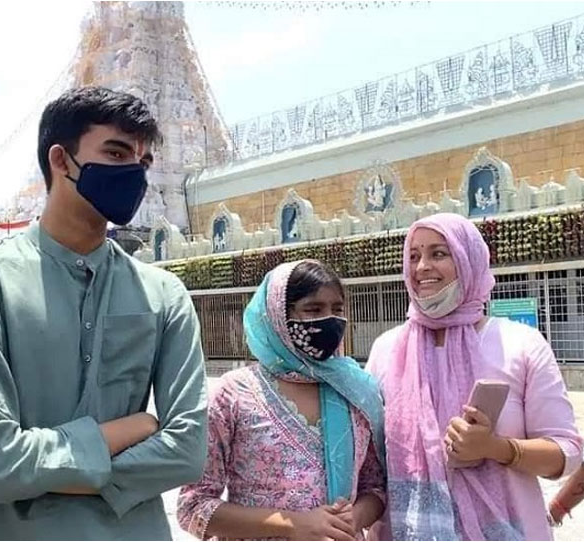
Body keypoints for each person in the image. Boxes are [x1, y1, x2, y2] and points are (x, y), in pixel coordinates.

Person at [0, 87, 208, 540]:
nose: (133, 173)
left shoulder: (163, 294)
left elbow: (188, 451)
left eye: (144, 162)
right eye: (115, 153)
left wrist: (38, 471)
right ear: (61, 160)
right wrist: (135, 428)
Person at [365, 212, 582, 541]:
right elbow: (368, 461)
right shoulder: (387, 350)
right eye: (413, 256)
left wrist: (497, 447)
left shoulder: (518, 344)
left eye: (439, 253)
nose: (422, 266)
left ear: (470, 260)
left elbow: (566, 453)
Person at [177, 260, 386, 540]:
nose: (330, 320)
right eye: (313, 310)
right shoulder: (235, 394)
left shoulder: (357, 392)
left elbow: (375, 487)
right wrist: (292, 524)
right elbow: (193, 506)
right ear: (278, 316)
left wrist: (351, 519)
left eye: (337, 310)